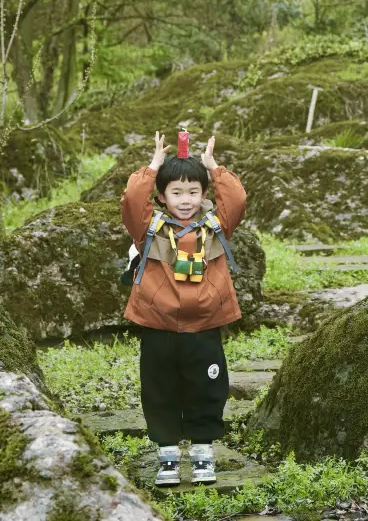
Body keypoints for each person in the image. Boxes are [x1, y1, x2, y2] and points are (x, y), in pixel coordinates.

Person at [121, 131, 246, 488]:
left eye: (194, 191)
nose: (186, 200)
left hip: (205, 325)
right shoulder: (148, 229)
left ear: (204, 194)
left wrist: (213, 168)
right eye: (176, 192)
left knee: (208, 387)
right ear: (162, 196)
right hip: (157, 324)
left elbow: (236, 200)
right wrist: (153, 166)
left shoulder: (217, 227)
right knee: (159, 389)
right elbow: (132, 200)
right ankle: (168, 457)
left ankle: (204, 453)